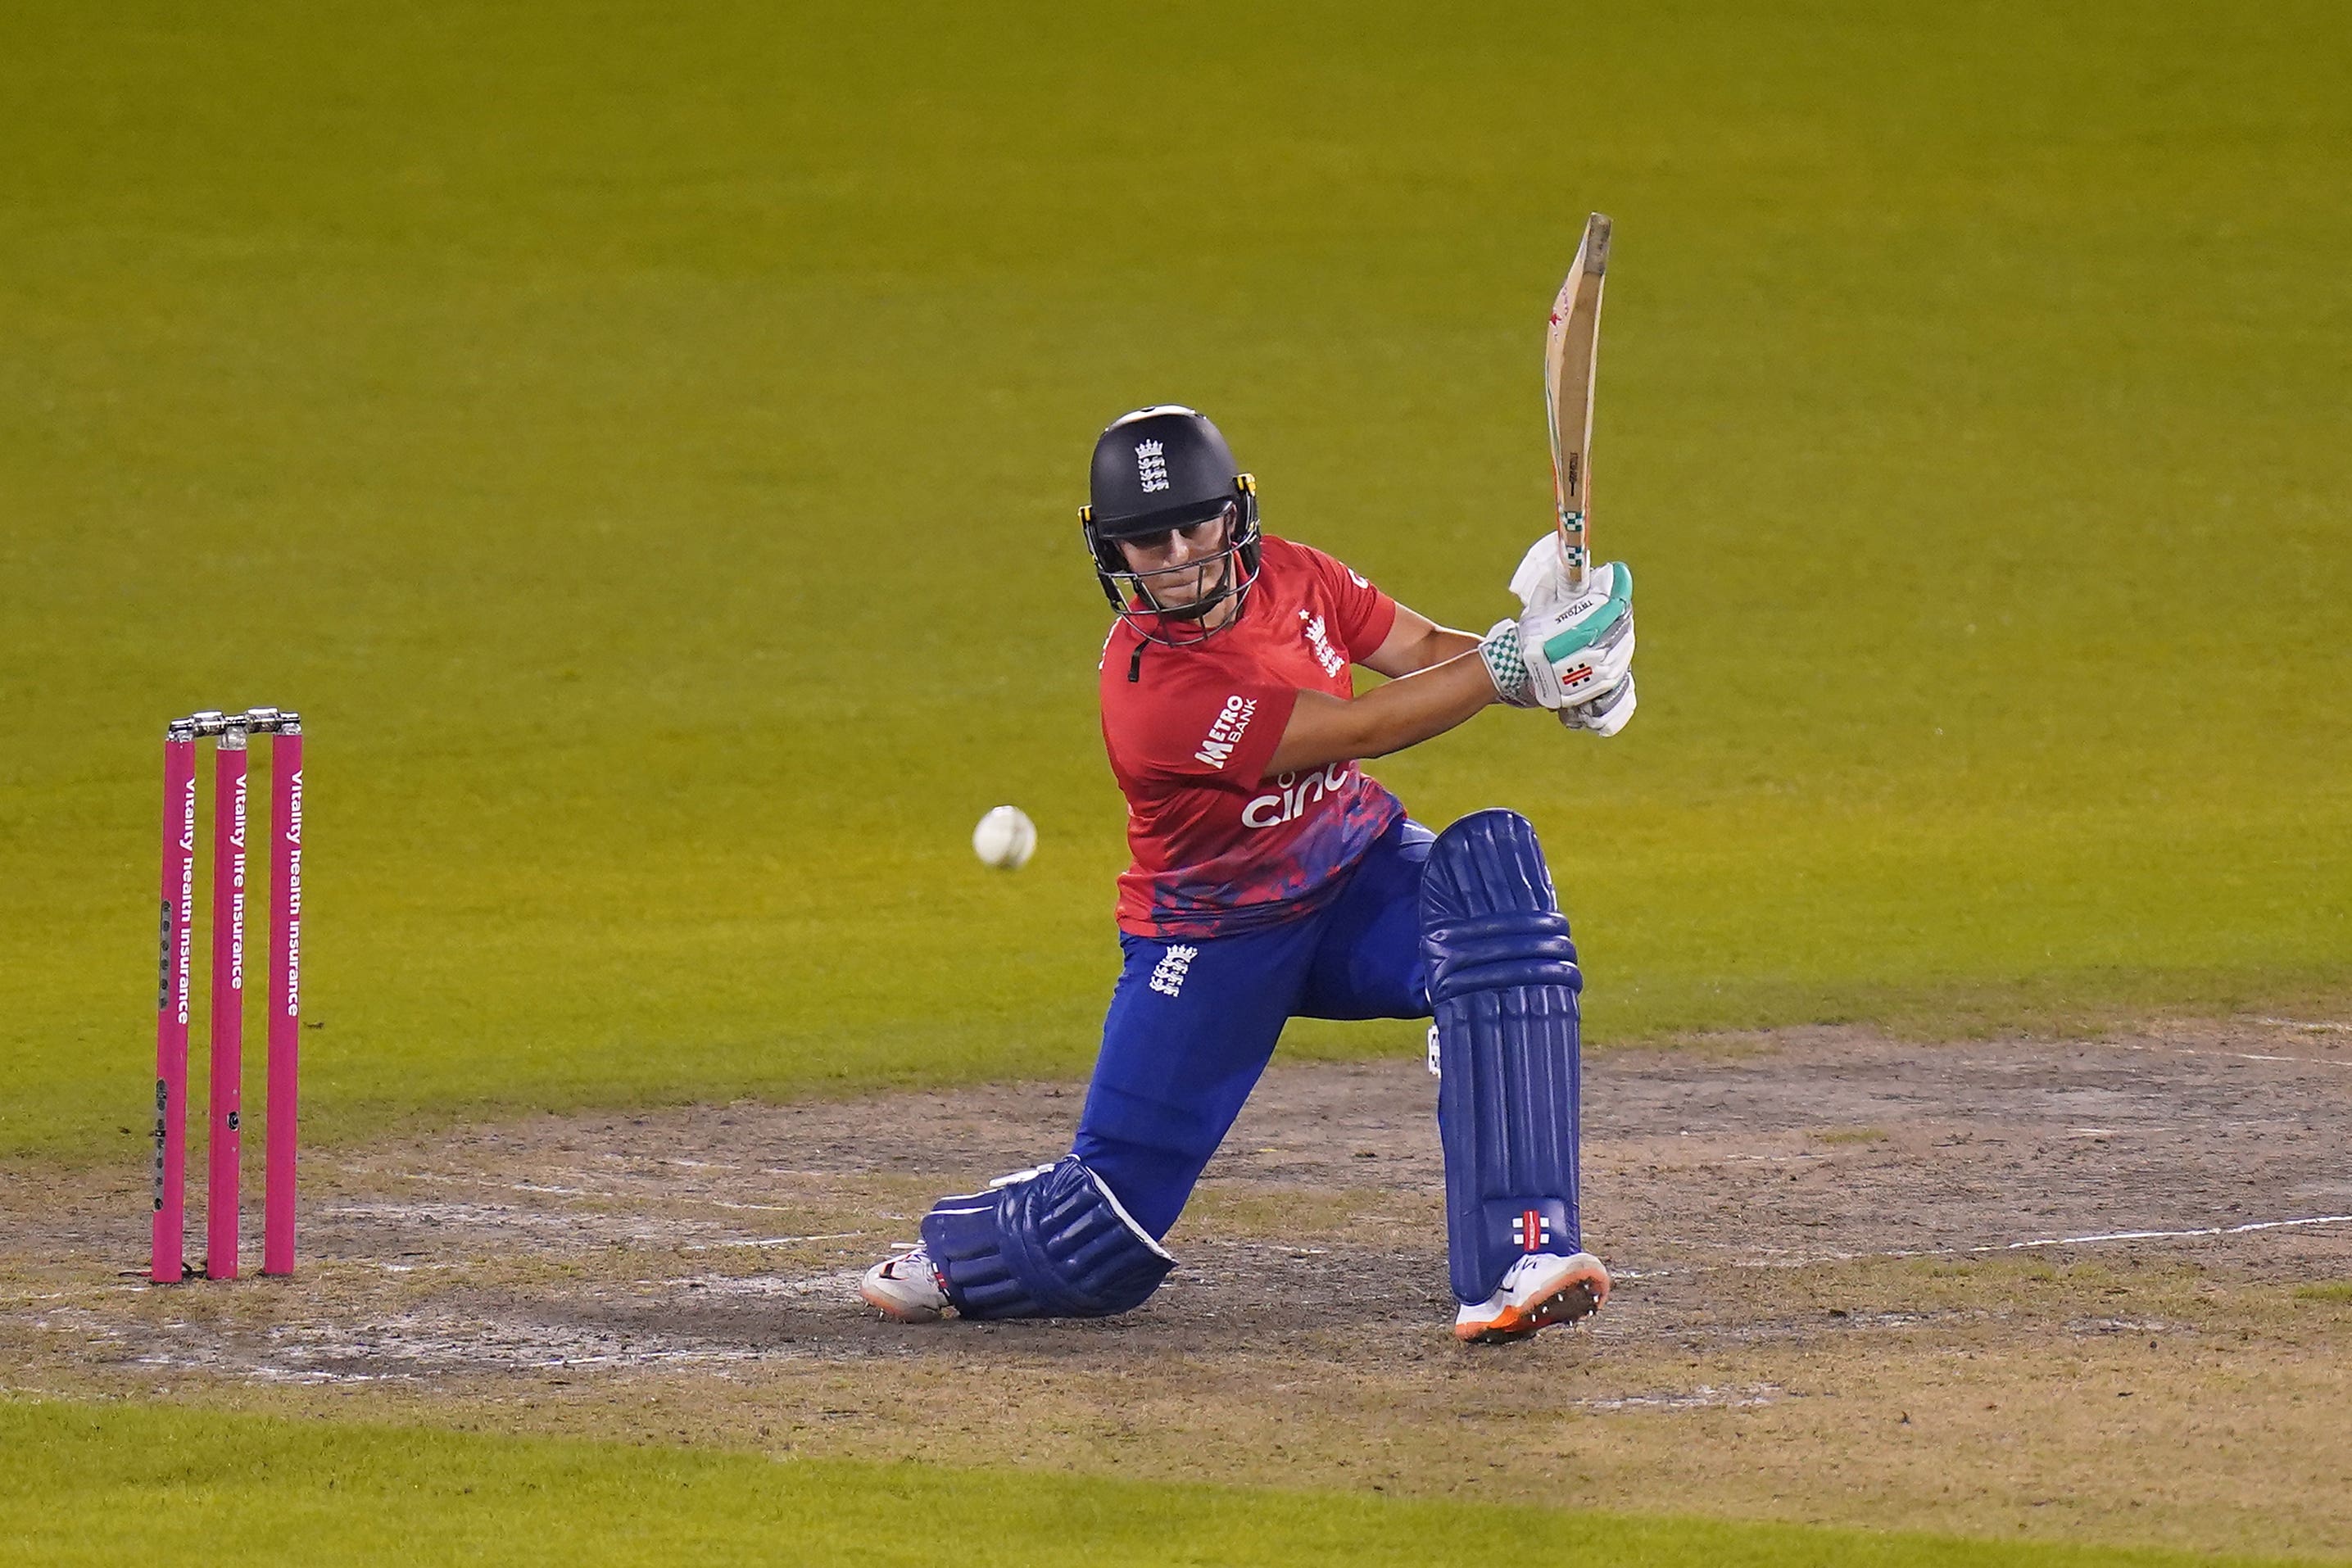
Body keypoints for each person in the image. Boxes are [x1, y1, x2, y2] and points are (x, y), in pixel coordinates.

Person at [860, 406, 1635, 1343]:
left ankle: (1518, 1259)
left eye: (1195, 524)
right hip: (1214, 937)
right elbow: (1361, 728)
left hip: (1356, 875)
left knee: (1494, 890)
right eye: (1148, 539)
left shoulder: (1300, 577)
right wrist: (1519, 662)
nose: (1179, 554)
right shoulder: (1153, 693)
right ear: (1112, 548)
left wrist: (1567, 661)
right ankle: (967, 1244)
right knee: (1097, 1247)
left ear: (1236, 512)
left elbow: (1427, 655)